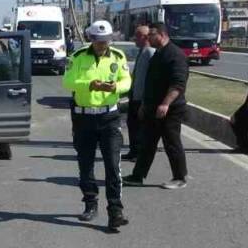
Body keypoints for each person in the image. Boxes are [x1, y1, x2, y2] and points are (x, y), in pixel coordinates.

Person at [62, 20, 131, 230]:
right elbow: (68, 82)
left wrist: (115, 87)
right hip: (84, 119)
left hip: (109, 118)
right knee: (86, 164)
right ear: (91, 39)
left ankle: (115, 211)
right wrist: (89, 84)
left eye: (106, 41)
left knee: (112, 165)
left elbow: (127, 80)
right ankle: (90, 203)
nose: (102, 44)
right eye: (98, 41)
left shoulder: (118, 57)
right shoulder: (78, 57)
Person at [123, 20, 189, 190]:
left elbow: (178, 84)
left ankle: (179, 177)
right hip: (152, 107)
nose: (148, 37)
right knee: (147, 143)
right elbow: (150, 83)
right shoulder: (158, 54)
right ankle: (138, 176)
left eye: (152, 34)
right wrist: (145, 104)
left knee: (172, 143)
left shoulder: (175, 55)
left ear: (162, 35)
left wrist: (165, 104)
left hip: (170, 109)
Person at [122, 23, 154, 162]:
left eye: (137, 36)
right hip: (134, 96)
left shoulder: (150, 52)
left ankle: (139, 153)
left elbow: (151, 78)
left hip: (142, 98)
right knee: (132, 124)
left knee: (140, 127)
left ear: (145, 37)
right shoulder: (141, 51)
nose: (134, 39)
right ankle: (133, 150)